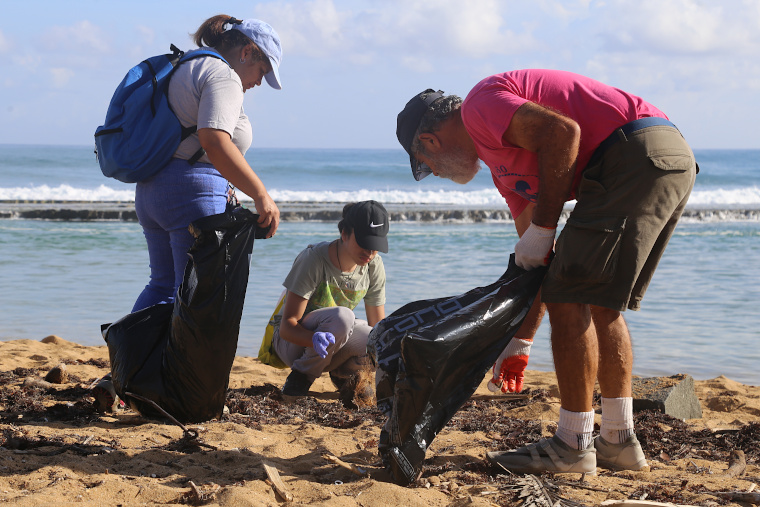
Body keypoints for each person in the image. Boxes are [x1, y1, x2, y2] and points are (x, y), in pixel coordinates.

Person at [396, 70, 697, 475]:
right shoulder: (504, 171)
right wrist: (521, 340)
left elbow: (563, 133)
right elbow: (544, 265)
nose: (434, 171)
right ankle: (619, 441)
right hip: (663, 156)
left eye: (427, 164)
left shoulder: (480, 106)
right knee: (597, 301)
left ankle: (573, 444)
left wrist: (543, 228)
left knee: (573, 297)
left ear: (429, 142)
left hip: (633, 151)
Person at [131, 15, 282, 312]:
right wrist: (261, 195)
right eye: (262, 70)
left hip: (152, 189)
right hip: (191, 194)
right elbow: (214, 141)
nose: (259, 81)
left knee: (162, 287)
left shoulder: (187, 64)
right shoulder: (223, 76)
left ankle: (130, 358)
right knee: (195, 297)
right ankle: (174, 361)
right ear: (247, 51)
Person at [271, 201, 389, 400]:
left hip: (334, 342)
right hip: (292, 344)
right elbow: (287, 327)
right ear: (344, 233)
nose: (369, 253)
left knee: (379, 339)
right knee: (344, 316)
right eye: (364, 243)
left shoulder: (373, 265)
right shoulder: (314, 259)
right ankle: (300, 379)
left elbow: (377, 326)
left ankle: (345, 375)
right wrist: (313, 339)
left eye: (375, 247)